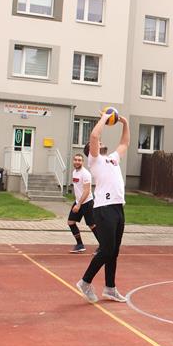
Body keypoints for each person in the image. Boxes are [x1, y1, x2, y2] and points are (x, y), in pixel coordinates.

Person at [75, 111, 129, 303]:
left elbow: (124, 144)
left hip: (118, 207)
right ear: (91, 150)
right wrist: (105, 118)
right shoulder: (94, 160)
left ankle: (110, 288)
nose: (100, 142)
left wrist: (125, 123)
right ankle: (85, 282)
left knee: (114, 251)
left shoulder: (113, 158)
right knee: (106, 250)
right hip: (104, 208)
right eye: (97, 144)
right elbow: (94, 136)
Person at [67, 153, 96, 253]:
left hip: (87, 203)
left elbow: (87, 191)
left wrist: (78, 204)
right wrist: (77, 202)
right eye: (75, 160)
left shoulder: (86, 174)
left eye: (79, 160)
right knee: (71, 222)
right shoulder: (74, 172)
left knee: (92, 225)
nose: (77, 162)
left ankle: (103, 246)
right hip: (78, 202)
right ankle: (80, 245)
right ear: (73, 161)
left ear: (82, 162)